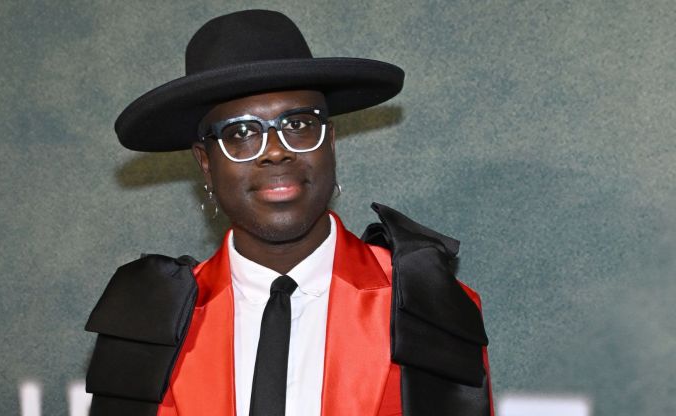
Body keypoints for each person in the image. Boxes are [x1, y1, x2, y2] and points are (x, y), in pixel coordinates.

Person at [85, 9, 493, 416]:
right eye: (241, 133)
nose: (276, 150)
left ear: (329, 142)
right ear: (206, 163)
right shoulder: (147, 323)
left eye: (298, 124)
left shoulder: (426, 306)